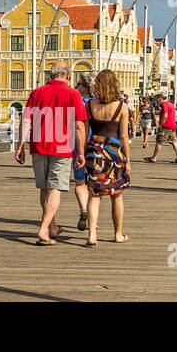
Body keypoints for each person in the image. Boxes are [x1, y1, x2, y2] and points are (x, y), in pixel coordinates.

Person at [14, 61, 86, 245]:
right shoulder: (73, 94)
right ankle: (44, 229)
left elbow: (25, 121)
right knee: (55, 188)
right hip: (62, 147)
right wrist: (81, 152)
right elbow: (79, 125)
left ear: (50, 75)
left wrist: (21, 145)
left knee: (45, 187)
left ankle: (52, 227)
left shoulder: (37, 93)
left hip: (38, 145)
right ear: (68, 76)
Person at [83, 70, 131, 244]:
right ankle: (118, 234)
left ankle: (92, 235)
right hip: (114, 150)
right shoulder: (122, 107)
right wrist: (128, 161)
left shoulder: (89, 105)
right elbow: (124, 136)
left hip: (94, 149)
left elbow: (84, 130)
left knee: (94, 194)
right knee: (116, 194)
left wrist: (82, 154)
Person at [71, 74, 94, 232]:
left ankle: (84, 210)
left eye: (78, 84)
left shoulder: (76, 103)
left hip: (77, 145)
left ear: (85, 87)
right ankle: (93, 217)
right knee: (93, 183)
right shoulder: (96, 104)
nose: (76, 86)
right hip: (95, 146)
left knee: (80, 183)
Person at [145, 93, 177, 164]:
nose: (157, 102)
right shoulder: (171, 104)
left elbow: (165, 115)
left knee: (159, 141)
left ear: (160, 99)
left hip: (166, 126)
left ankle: (154, 157)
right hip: (173, 125)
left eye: (157, 100)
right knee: (174, 141)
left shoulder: (164, 105)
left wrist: (160, 124)